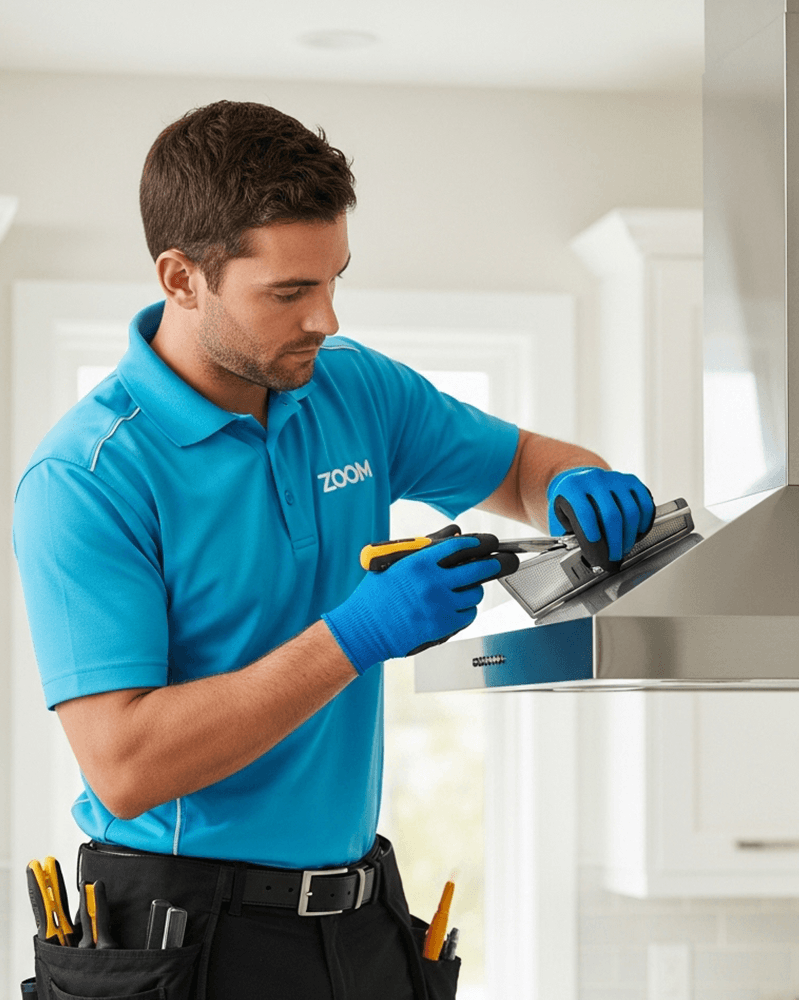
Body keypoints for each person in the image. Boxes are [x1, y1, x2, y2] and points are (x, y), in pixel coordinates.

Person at [13, 100, 655, 999]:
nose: (326, 319)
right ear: (181, 276)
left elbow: (519, 465)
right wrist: (354, 638)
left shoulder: (353, 392)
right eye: (287, 293)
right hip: (180, 939)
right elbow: (124, 767)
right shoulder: (87, 477)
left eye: (332, 280)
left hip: (362, 925)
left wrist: (575, 482)